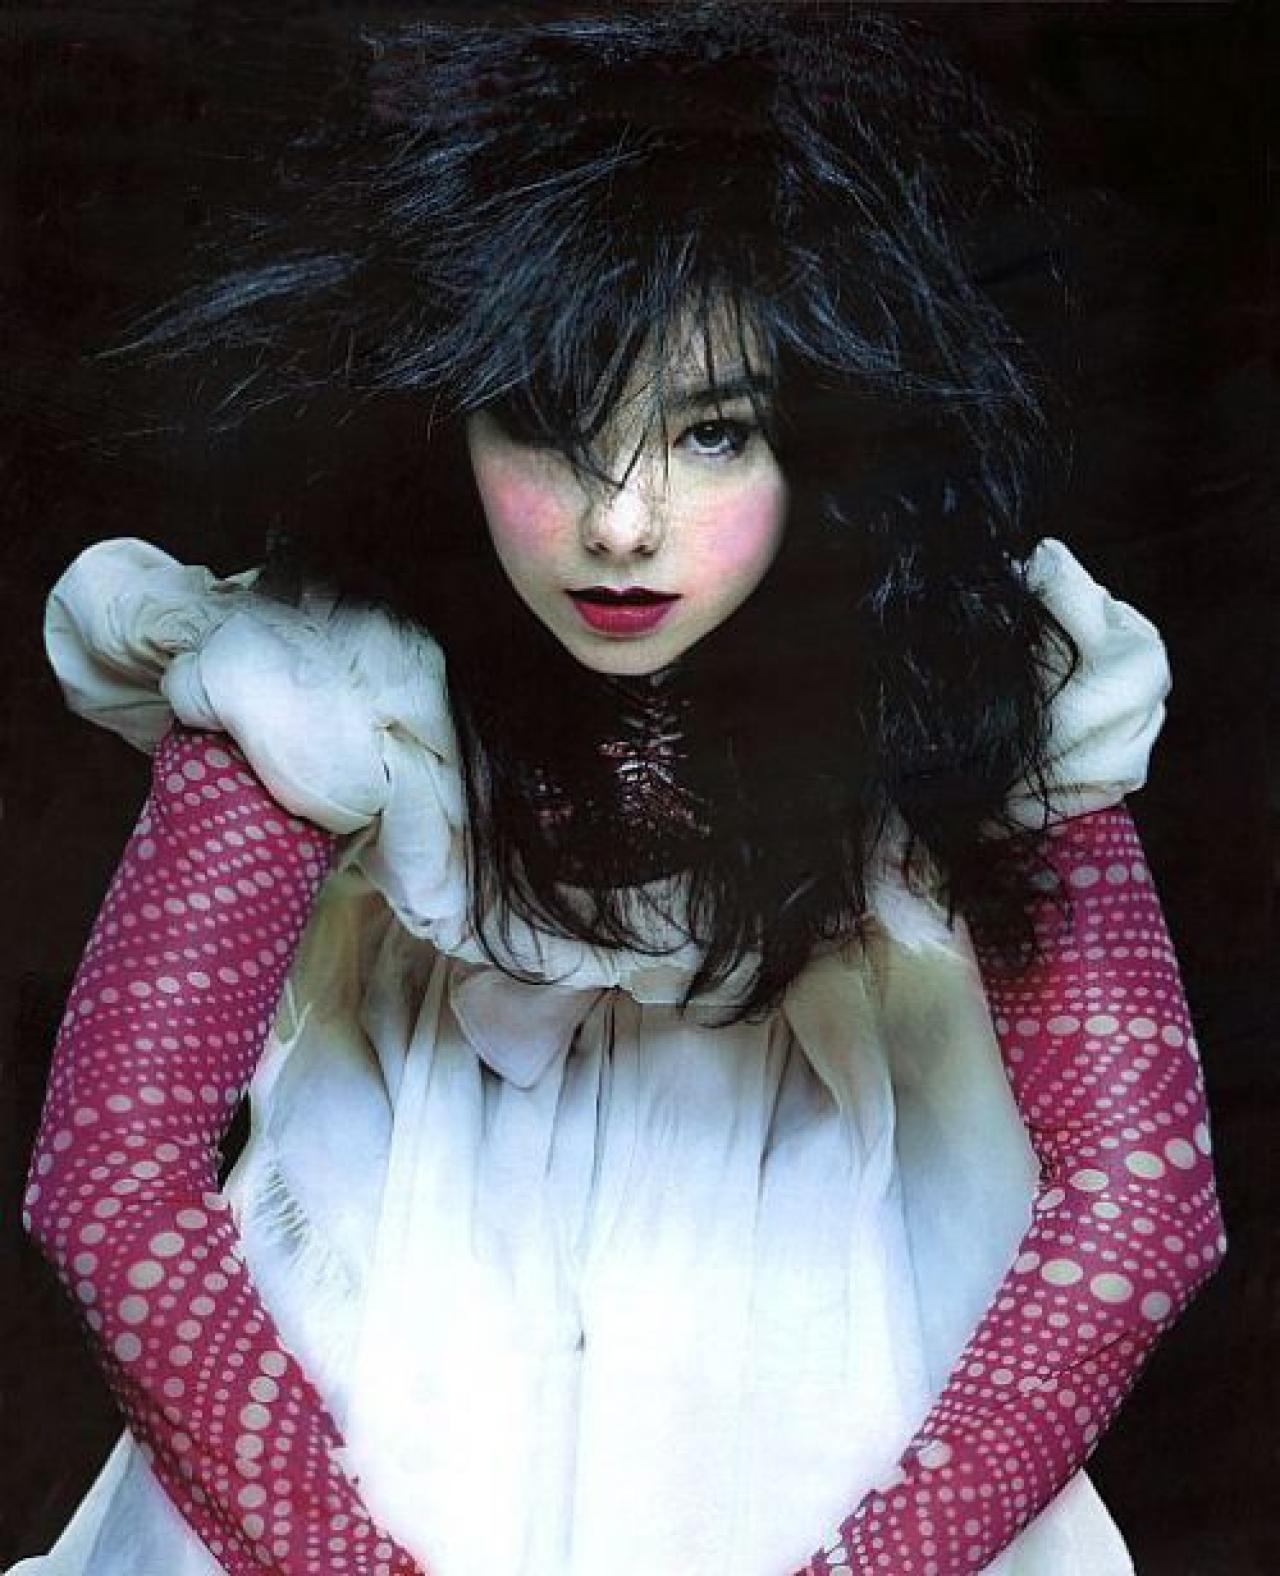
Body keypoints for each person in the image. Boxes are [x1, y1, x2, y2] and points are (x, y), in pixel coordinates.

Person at [16, 8, 1226, 1576]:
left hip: (821, 1330)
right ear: (444, 417)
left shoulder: (972, 680)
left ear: (826, 437)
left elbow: (1144, 1198)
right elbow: (108, 1177)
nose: (621, 525)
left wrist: (876, 1564)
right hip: (396, 1315)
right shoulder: (327, 676)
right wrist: (339, 1559)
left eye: (714, 433)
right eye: (545, 425)